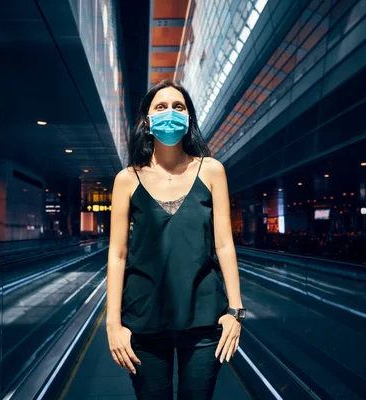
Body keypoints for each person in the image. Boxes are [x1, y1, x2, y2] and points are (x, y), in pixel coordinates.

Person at [106, 79, 246, 399]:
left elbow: (224, 244)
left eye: (178, 107)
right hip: (143, 318)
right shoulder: (127, 179)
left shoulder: (211, 171)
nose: (170, 112)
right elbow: (117, 254)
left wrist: (236, 311)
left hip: (204, 317)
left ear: (189, 118)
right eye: (161, 106)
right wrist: (113, 324)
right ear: (147, 120)